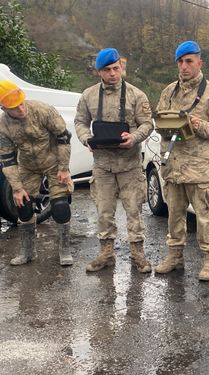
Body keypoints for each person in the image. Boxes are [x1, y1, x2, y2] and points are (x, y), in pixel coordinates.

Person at [153, 41, 209, 281]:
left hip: (198, 169)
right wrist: (164, 126)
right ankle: (175, 257)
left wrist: (200, 125)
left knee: (205, 217)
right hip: (173, 167)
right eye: (180, 61)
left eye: (189, 61)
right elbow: (159, 120)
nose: (184, 66)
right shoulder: (169, 91)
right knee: (174, 216)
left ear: (199, 62)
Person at [74, 48, 154, 273]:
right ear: (99, 71)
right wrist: (85, 138)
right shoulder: (88, 95)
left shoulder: (136, 95)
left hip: (129, 165)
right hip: (102, 166)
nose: (112, 73)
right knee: (104, 211)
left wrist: (134, 137)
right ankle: (106, 254)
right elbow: (80, 121)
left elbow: (147, 123)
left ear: (121, 67)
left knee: (134, 210)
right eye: (107, 70)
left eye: (116, 68)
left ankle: (138, 254)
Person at [0, 79, 74, 266]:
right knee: (24, 206)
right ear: (4, 109)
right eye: (14, 107)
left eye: (21, 103)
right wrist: (17, 188)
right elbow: (6, 159)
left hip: (53, 162)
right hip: (27, 166)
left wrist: (63, 168)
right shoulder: (1, 126)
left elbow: (63, 138)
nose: (20, 109)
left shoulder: (42, 110)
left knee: (60, 205)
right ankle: (28, 252)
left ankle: (64, 250)